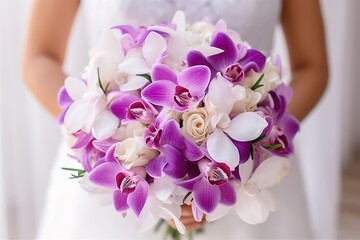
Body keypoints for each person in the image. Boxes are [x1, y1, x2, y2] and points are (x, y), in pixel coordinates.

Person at [23, 0, 328, 239]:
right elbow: (39, 57)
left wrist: (256, 140)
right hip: (119, 171)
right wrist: (107, 138)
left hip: (246, 170)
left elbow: (311, 66)